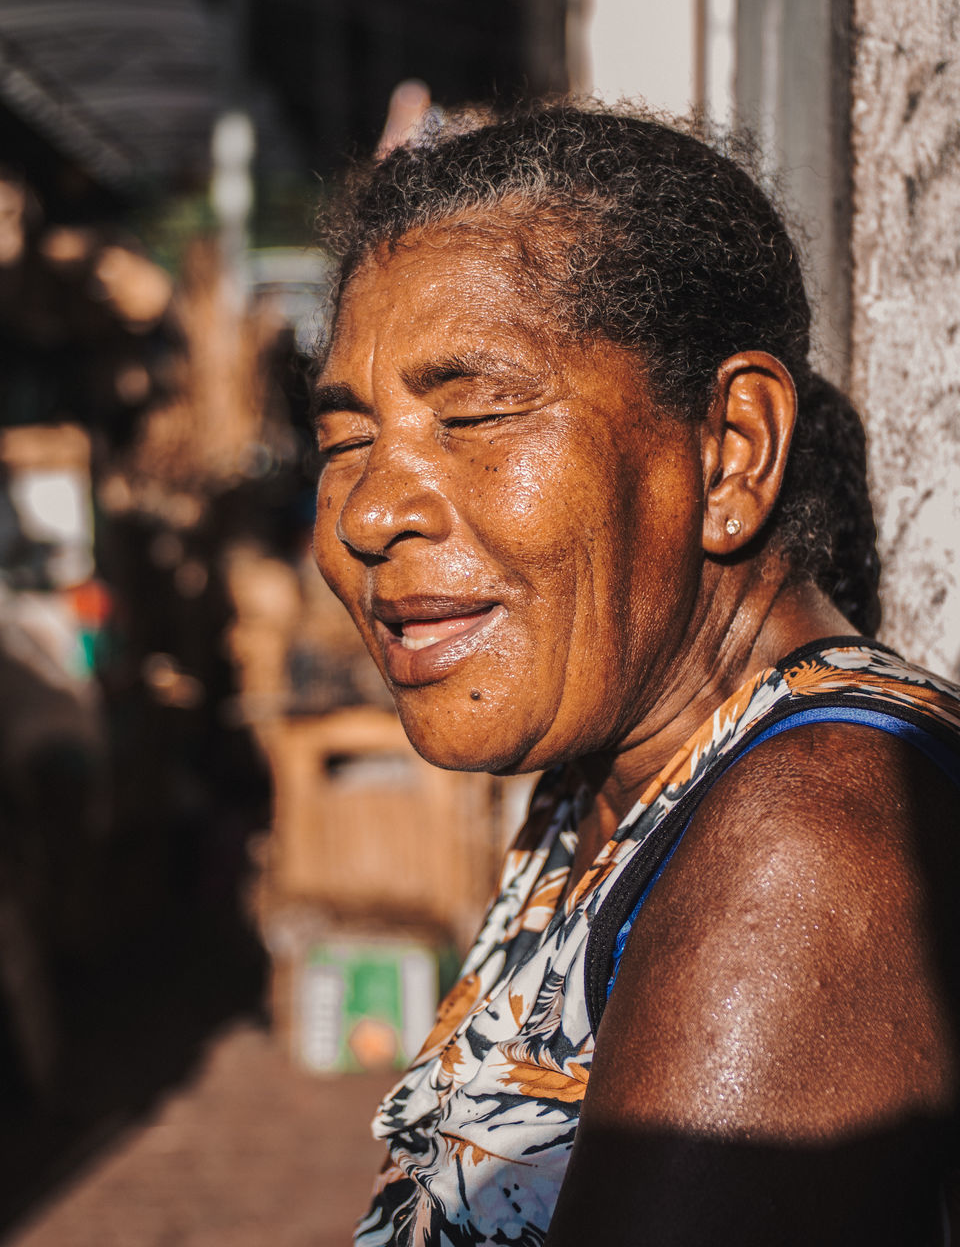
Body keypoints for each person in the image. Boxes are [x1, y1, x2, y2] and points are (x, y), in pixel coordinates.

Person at [310, 100, 960, 1246]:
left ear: (730, 450)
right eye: (345, 440)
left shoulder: (802, 848)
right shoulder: (607, 770)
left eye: (475, 411)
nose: (369, 511)